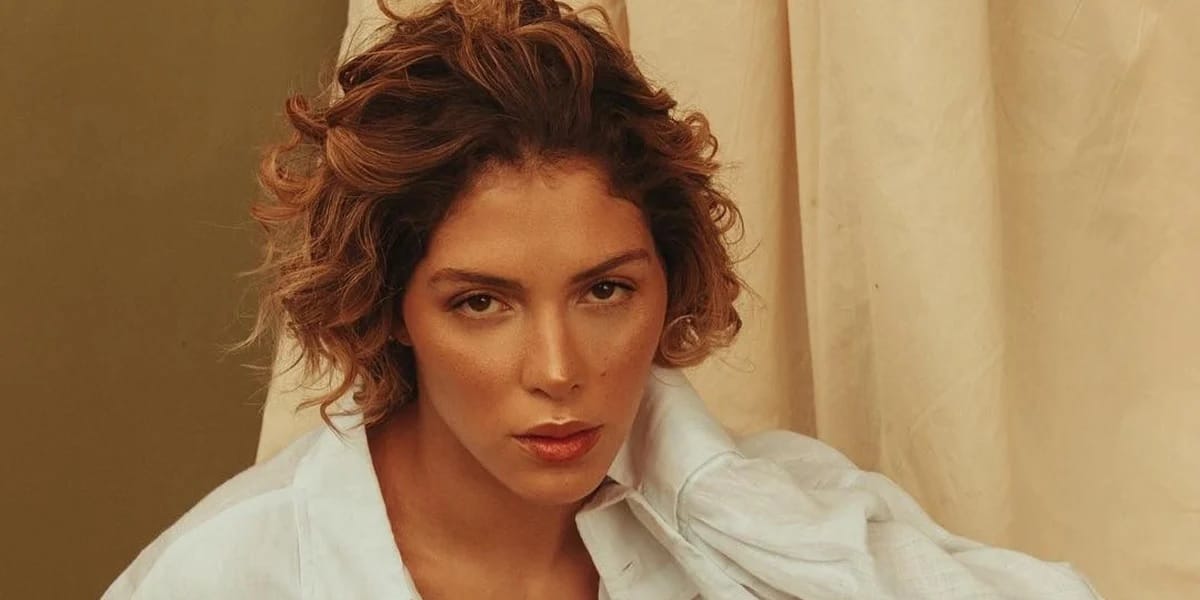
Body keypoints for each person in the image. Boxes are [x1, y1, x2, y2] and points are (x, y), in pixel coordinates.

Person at [103, 1, 1102, 598]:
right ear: (391, 307)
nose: (558, 370)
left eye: (606, 290)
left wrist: (711, 487)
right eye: (481, 304)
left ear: (669, 282)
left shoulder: (764, 518)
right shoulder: (234, 574)